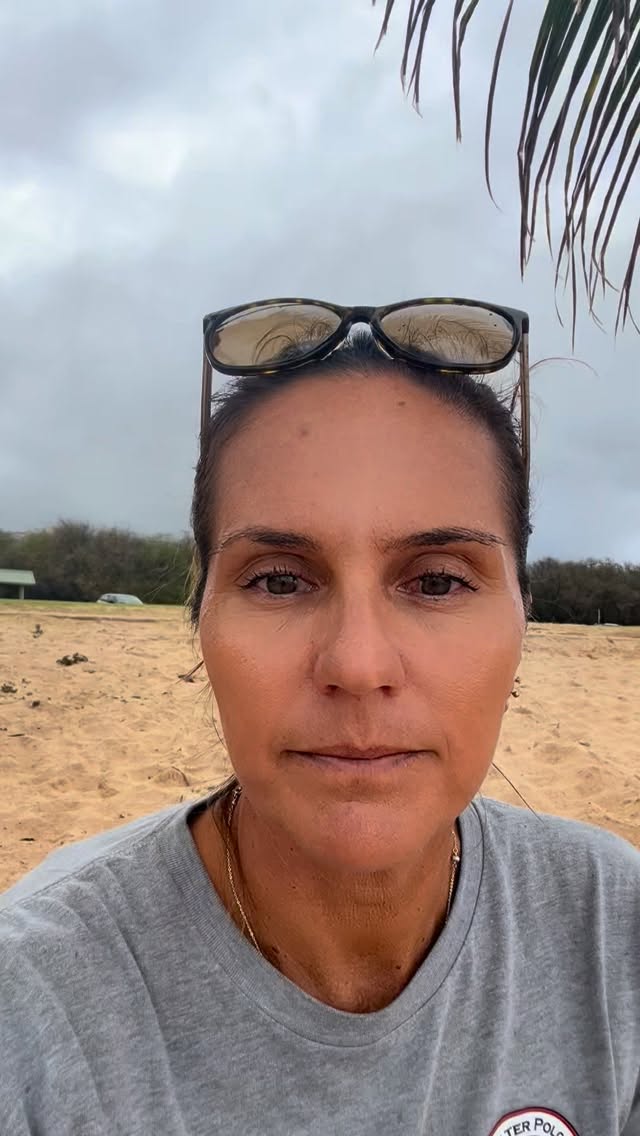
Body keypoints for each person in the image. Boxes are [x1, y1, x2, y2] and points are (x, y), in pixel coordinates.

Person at [1, 297, 638, 1136]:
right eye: (278, 579)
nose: (358, 665)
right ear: (200, 621)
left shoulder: (612, 934)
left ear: (524, 616)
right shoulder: (37, 1004)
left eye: (438, 580)